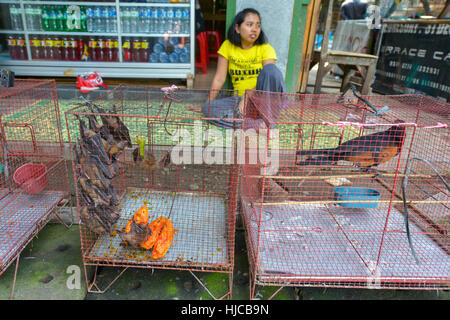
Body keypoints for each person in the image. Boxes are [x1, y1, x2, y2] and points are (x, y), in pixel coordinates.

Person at [189, 8, 286, 129]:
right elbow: (219, 78)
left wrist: (247, 97)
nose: (255, 29)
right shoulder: (227, 46)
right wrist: (207, 104)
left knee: (272, 70)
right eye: (249, 25)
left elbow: (270, 77)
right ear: (237, 28)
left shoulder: (265, 48)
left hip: (262, 101)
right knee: (209, 109)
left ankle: (262, 120)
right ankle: (256, 124)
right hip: (238, 100)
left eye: (258, 25)